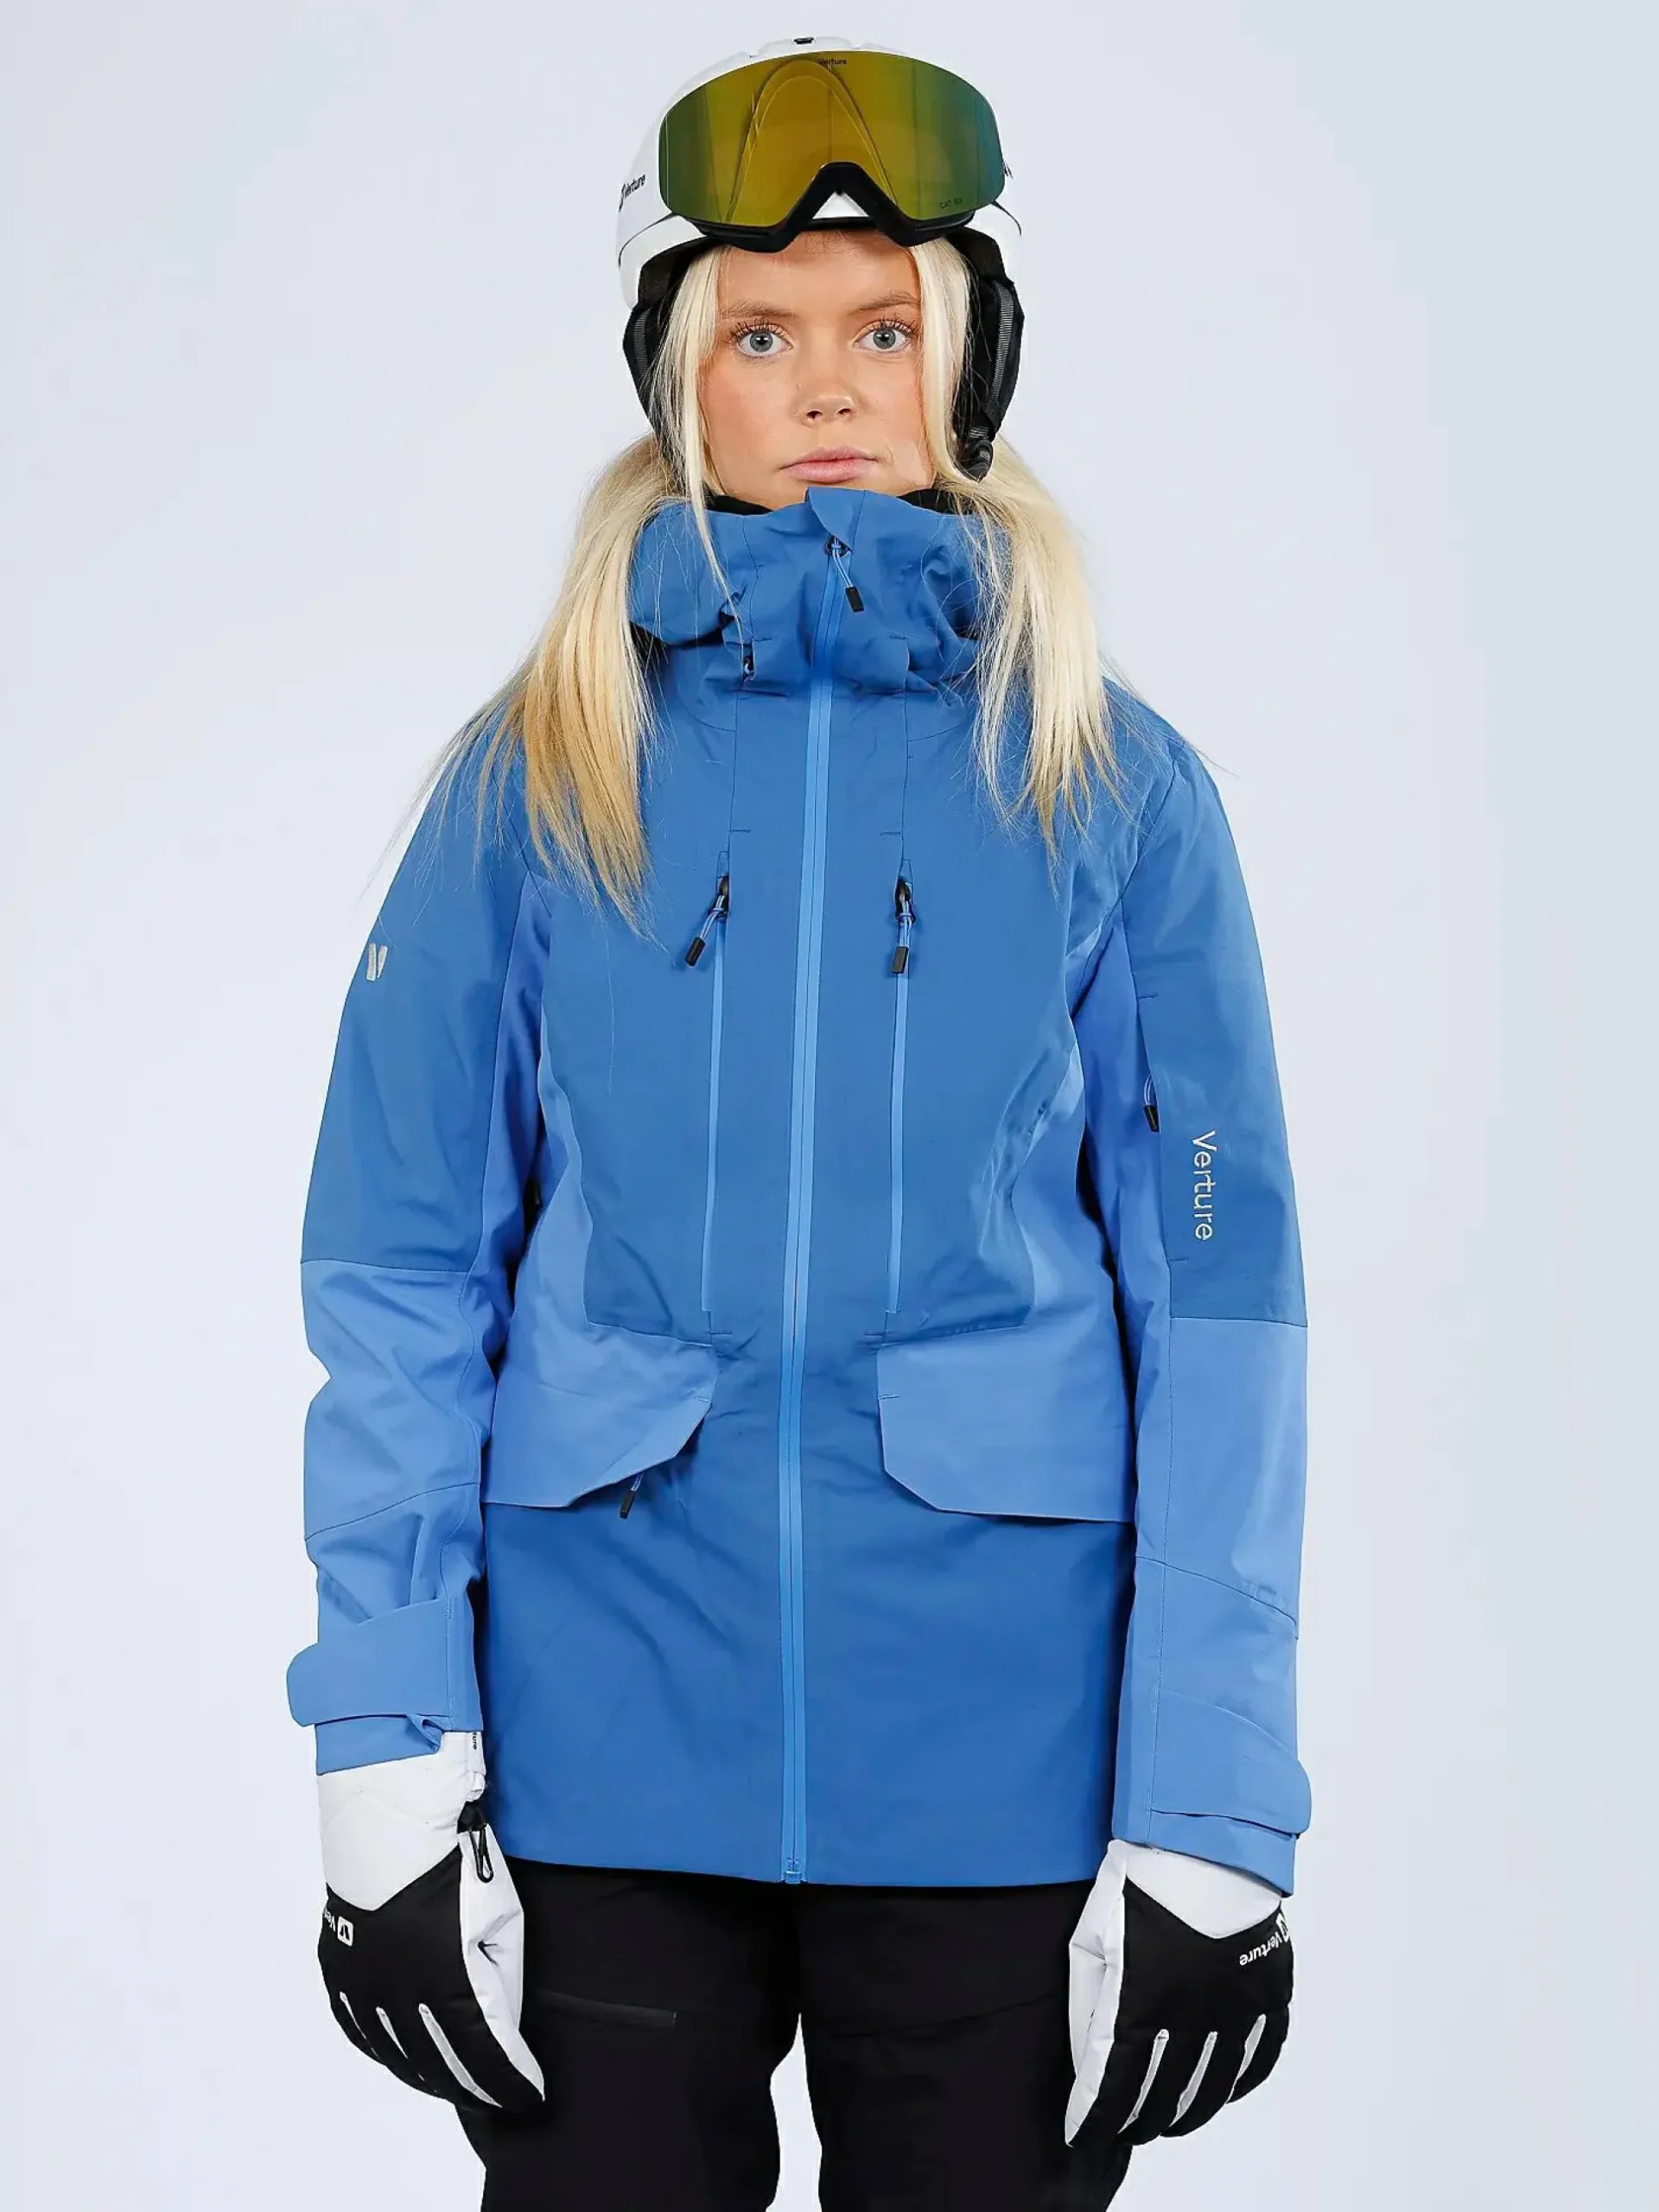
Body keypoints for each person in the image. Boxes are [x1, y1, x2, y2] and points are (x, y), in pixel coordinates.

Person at [285, 37, 1311, 2212]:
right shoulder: (537, 775)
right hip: (600, 1760)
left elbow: (1222, 1312)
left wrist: (1210, 1804)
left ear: (971, 357)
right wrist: (384, 1737)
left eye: (883, 325)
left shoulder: (1111, 785)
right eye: (760, 331)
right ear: (679, 375)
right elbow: (398, 1264)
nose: (827, 381)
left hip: (1000, 1772)